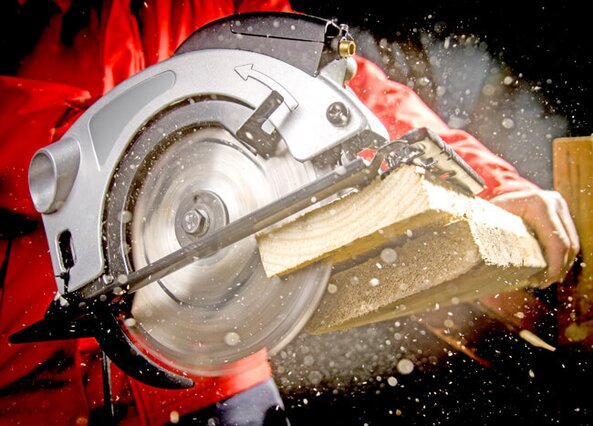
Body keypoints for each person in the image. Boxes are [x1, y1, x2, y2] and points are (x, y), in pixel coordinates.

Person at [0, 0, 580, 425]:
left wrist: (491, 185)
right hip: (35, 390)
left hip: (214, 367)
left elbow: (342, 92)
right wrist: (136, 150)